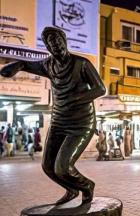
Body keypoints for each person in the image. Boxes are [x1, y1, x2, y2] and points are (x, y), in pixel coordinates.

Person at [0, 26, 106, 204]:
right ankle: (72, 190)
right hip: (58, 121)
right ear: (48, 48)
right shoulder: (47, 65)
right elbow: (25, 64)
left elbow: (100, 89)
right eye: (52, 43)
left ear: (65, 41)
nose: (57, 45)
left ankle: (86, 185)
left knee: (63, 168)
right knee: (48, 167)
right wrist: (16, 65)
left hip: (81, 123)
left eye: (59, 41)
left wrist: (76, 99)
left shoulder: (82, 63)